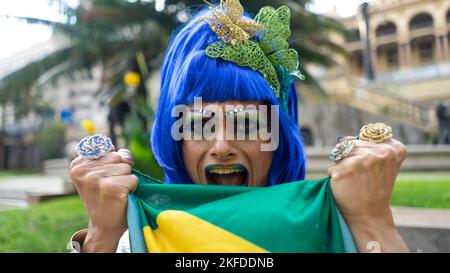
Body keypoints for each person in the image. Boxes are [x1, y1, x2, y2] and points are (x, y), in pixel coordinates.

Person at [69, 1, 408, 253]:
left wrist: (373, 222)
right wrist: (102, 236)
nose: (221, 146)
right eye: (199, 125)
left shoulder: (337, 225)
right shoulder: (133, 237)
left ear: (279, 138)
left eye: (247, 124)